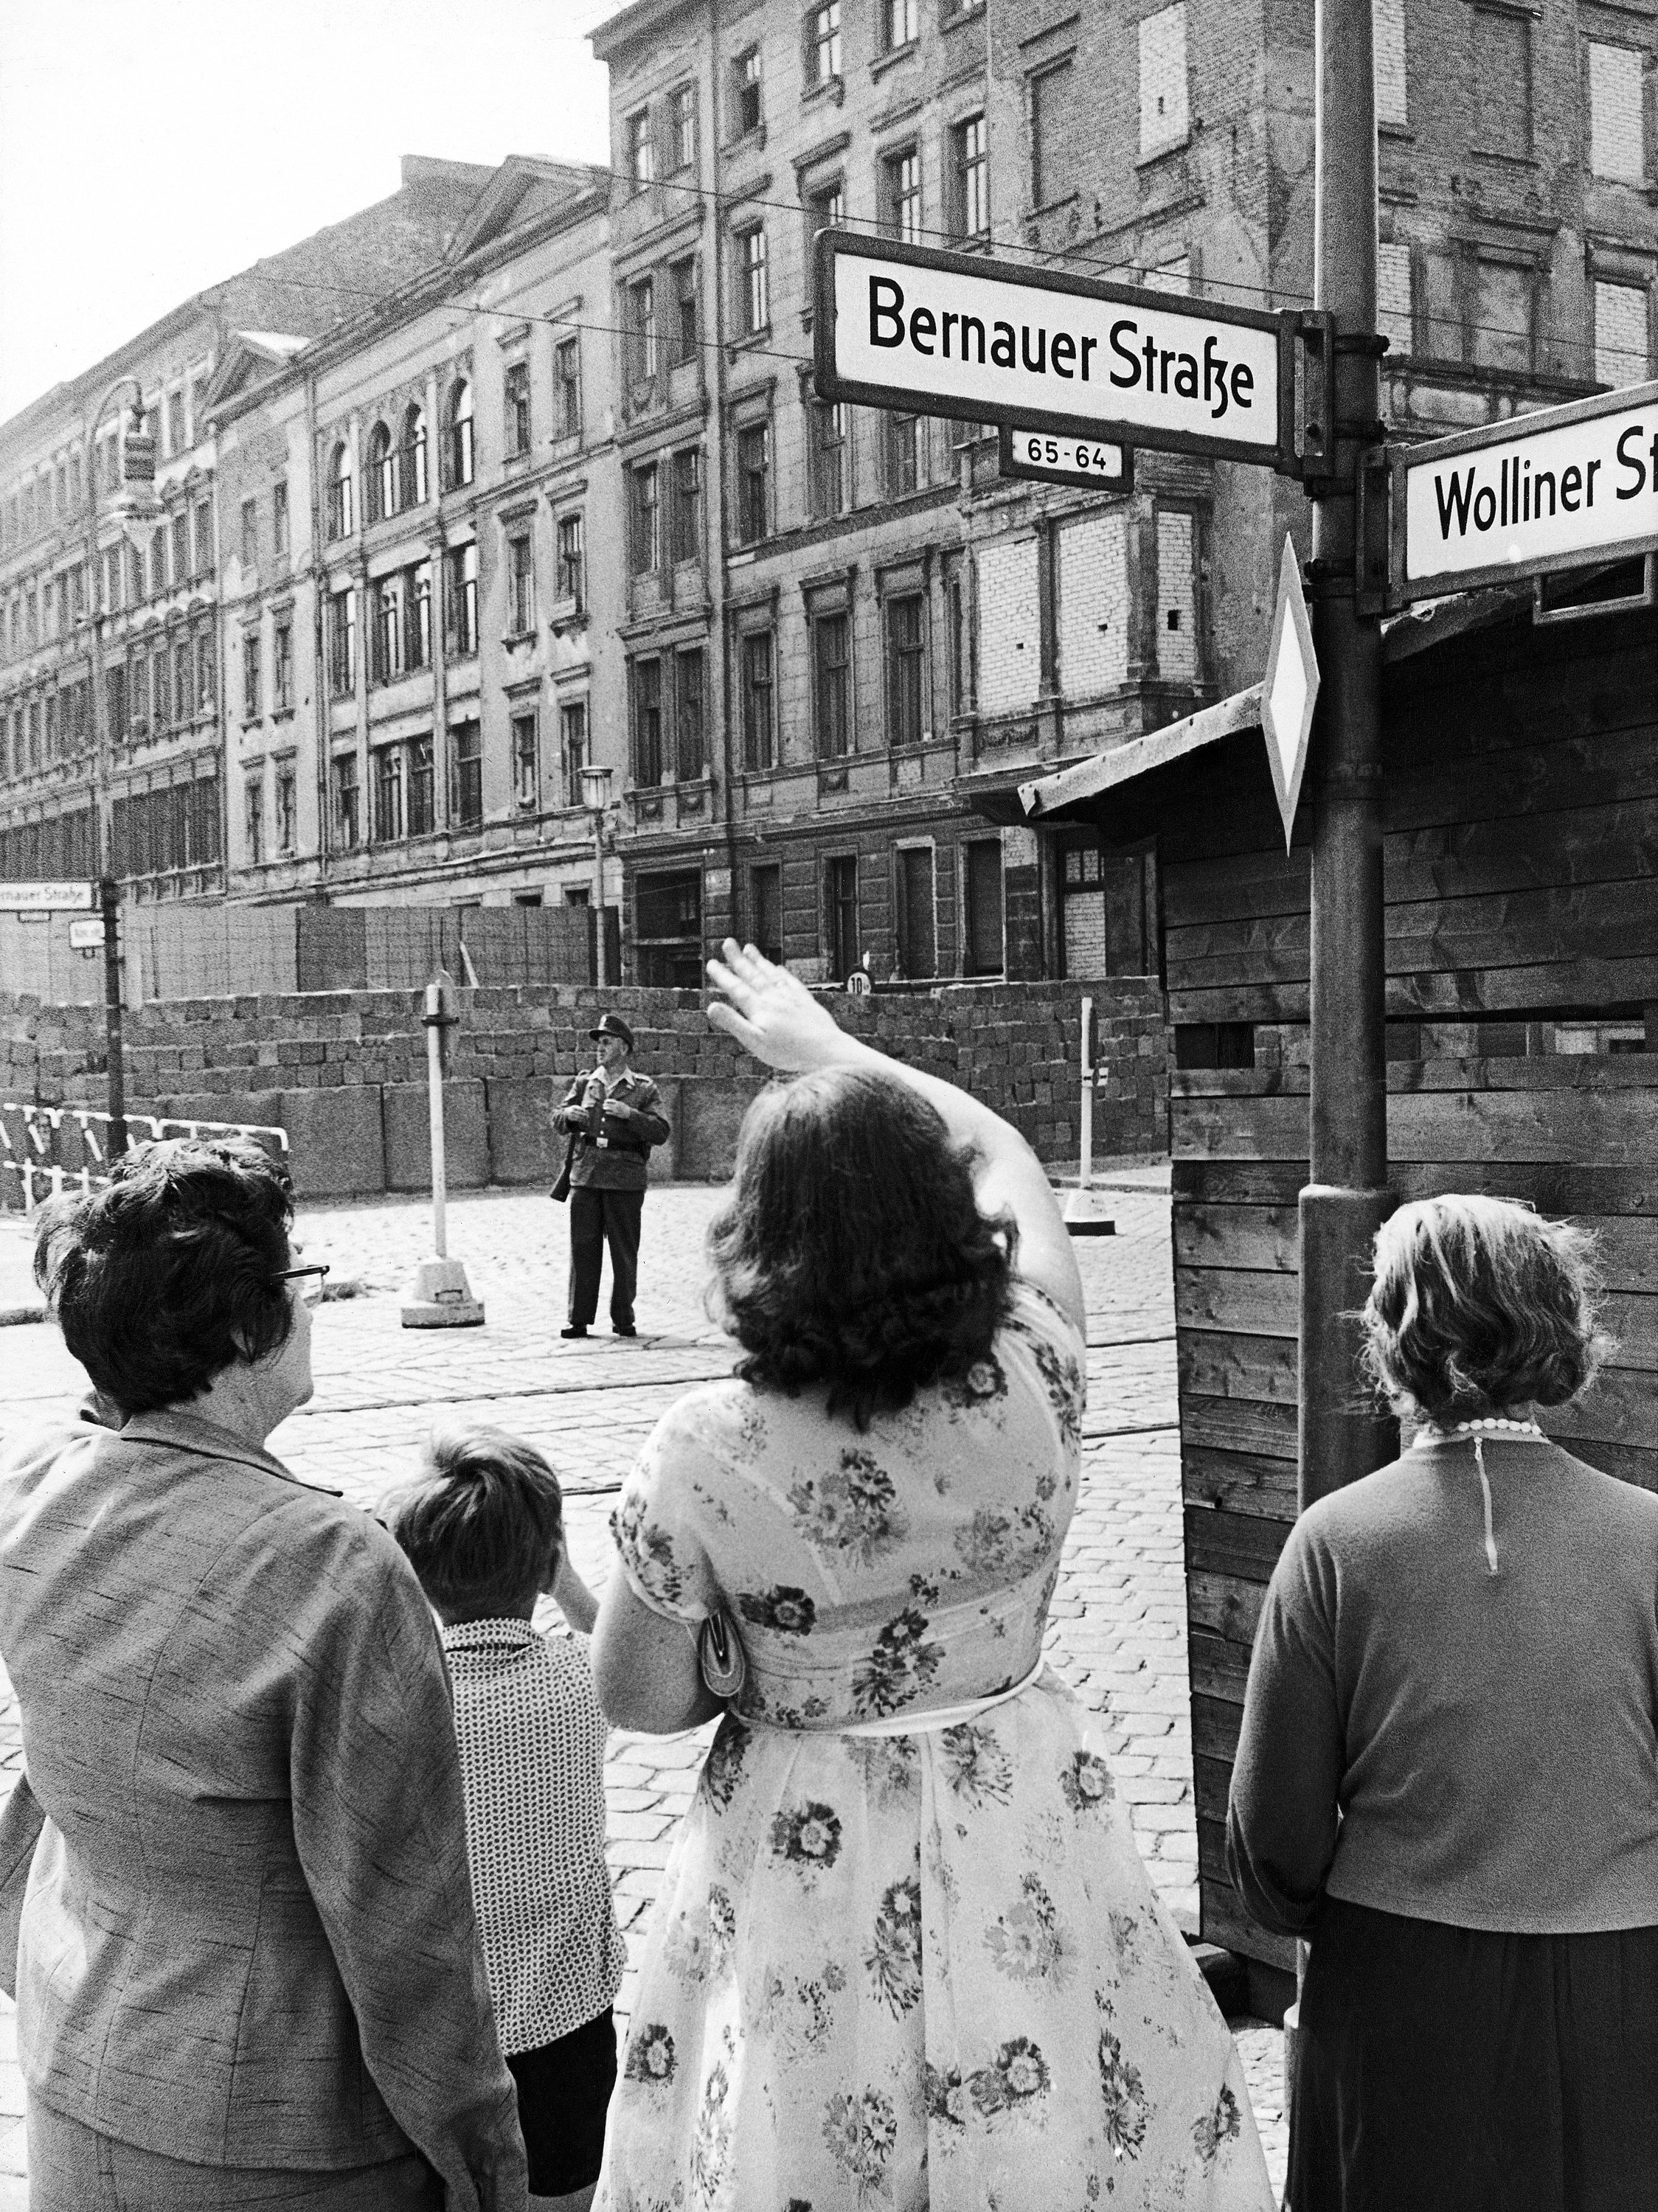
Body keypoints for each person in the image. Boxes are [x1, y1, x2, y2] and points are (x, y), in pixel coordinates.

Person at [589, 941, 1274, 2212]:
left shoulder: (702, 1449)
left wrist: (751, 1656)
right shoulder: (1039, 1355)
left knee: (808, 2137)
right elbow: (1006, 1146)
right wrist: (832, 1050)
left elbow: (637, 1697)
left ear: (757, 1234)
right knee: (1057, 2114)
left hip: (808, 1850)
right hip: (1020, 1810)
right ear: (948, 1213)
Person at [0, 1137, 527, 2212]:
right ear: (246, 1328)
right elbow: (406, 1931)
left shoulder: (33, 1488)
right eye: (301, 1279)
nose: (312, 1303)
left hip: (77, 2070)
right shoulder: (334, 1568)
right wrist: (487, 2163)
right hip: (282, 2143)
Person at [1227, 1193, 1654, 2212]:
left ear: (1393, 1340)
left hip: (1399, 1991)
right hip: (1624, 1993)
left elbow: (1273, 1837)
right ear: (1559, 1328)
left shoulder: (1334, 1542)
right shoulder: (1651, 1536)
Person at [389, 1425, 626, 2212]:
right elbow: (620, 1647)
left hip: (442, 2035)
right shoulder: (580, 1677)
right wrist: (567, 1583)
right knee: (567, 2191)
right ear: (545, 1557)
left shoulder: (401, 1704)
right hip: (567, 2019)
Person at [554, 1012, 671, 1341]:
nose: (600, 1048)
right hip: (587, 1176)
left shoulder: (644, 1088)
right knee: (583, 1250)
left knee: (624, 1252)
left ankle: (623, 1317)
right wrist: (568, 1114)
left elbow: (661, 1131)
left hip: (625, 1179)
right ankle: (578, 1319)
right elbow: (556, 1118)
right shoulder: (584, 1083)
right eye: (599, 1043)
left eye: (607, 1042)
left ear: (624, 1047)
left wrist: (629, 1114)